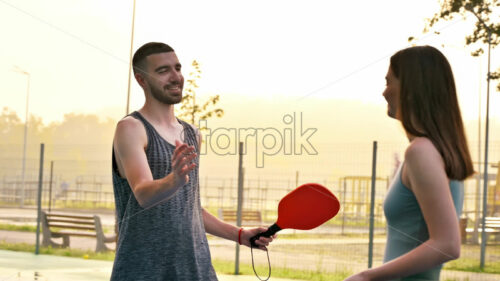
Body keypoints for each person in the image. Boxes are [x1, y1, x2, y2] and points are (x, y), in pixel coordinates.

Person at [111, 42, 273, 280]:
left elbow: (189, 208)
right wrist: (174, 180)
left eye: (178, 68)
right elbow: (143, 194)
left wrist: (240, 234)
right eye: (163, 70)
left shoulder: (192, 134)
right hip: (143, 271)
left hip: (196, 270)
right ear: (141, 79)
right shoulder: (131, 128)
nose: (176, 76)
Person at [345, 46, 474, 281]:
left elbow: (447, 244)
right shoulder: (437, 151)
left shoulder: (421, 152)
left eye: (389, 82)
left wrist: (366, 276)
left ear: (411, 89)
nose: (384, 92)